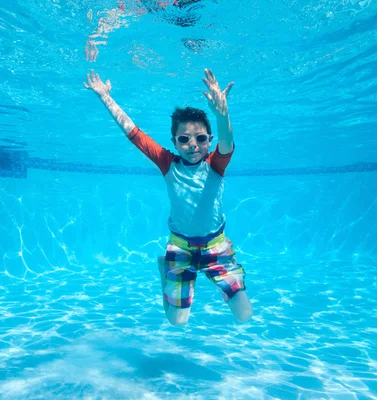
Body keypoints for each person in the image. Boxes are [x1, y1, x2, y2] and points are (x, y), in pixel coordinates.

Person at [83, 69, 253, 326]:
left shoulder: (216, 164)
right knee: (177, 321)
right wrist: (106, 97)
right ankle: (166, 270)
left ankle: (203, 277)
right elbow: (134, 134)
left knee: (245, 314)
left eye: (200, 138)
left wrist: (222, 113)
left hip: (216, 247)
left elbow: (227, 142)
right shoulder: (167, 163)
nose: (192, 144)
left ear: (209, 139)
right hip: (181, 247)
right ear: (174, 141)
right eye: (184, 139)